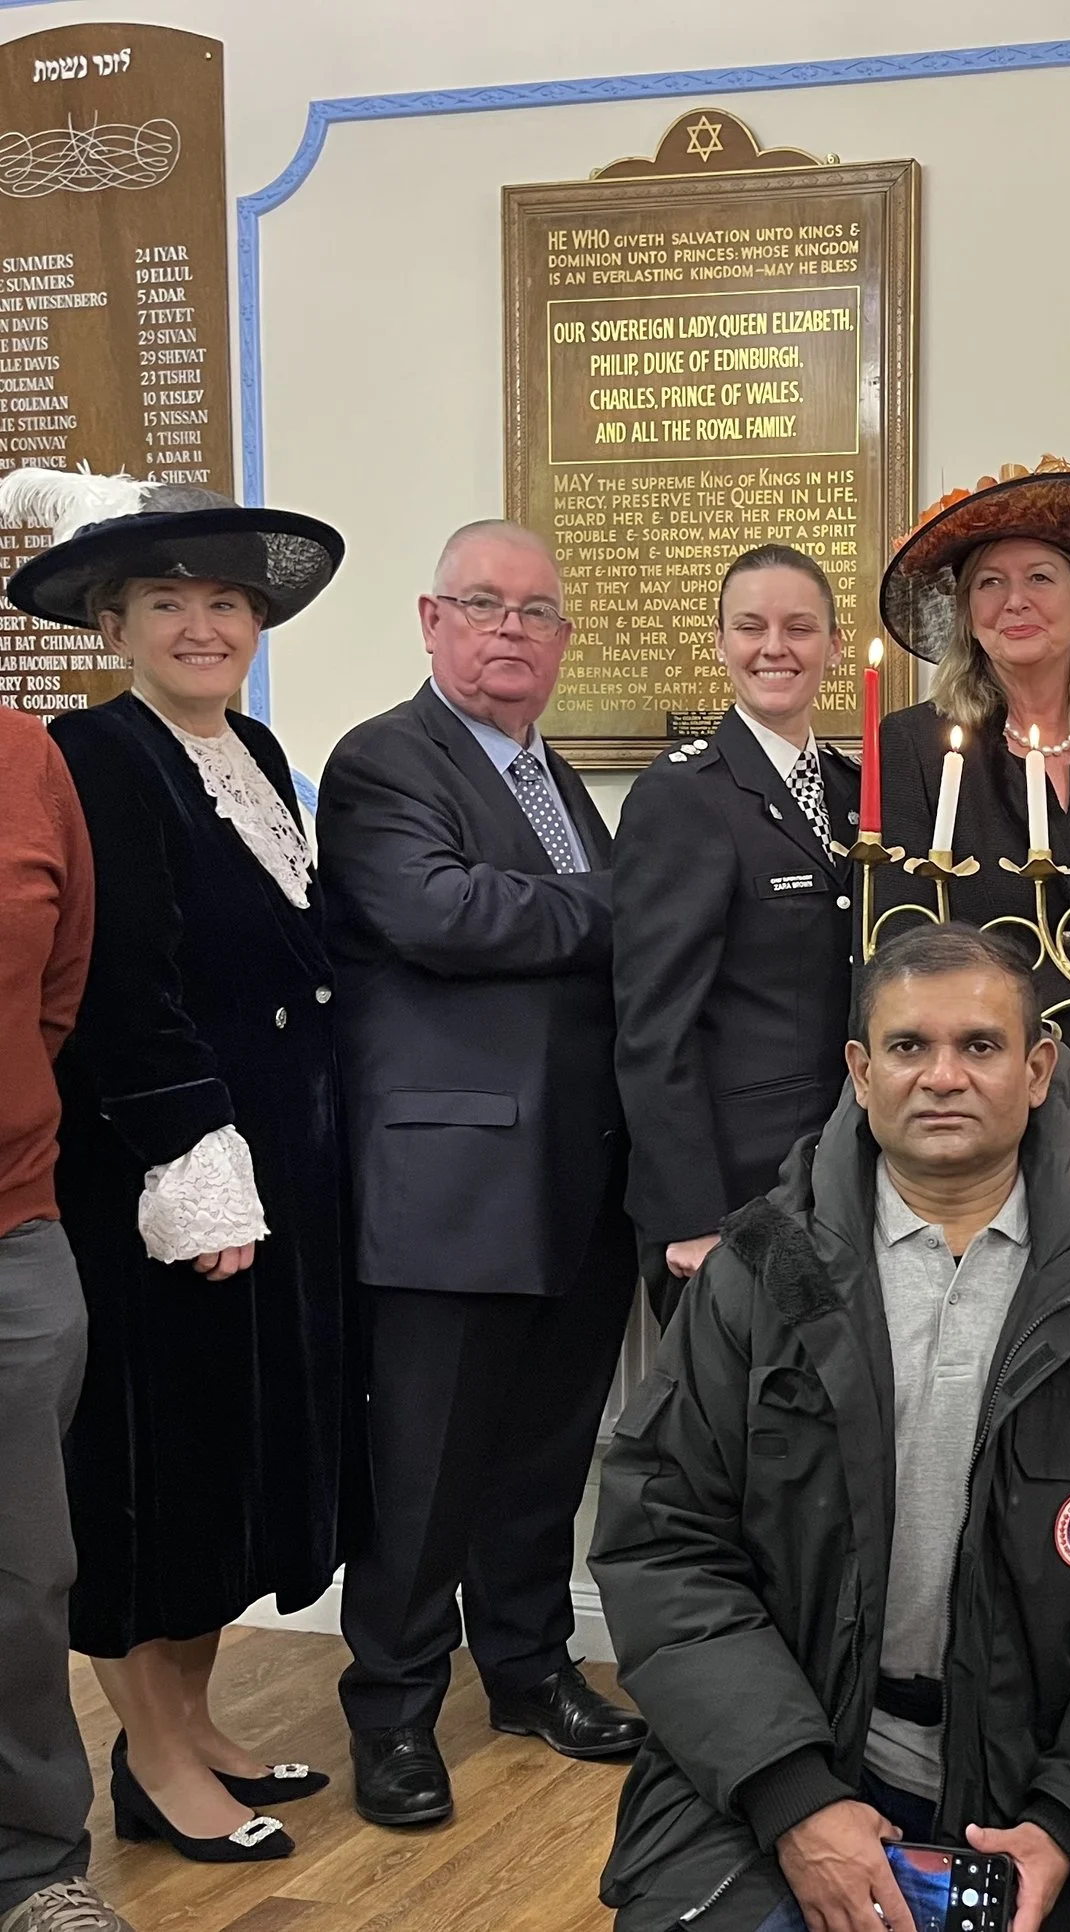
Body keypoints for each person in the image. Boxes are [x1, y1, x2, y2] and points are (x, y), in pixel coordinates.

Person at [591, 922, 1070, 1932]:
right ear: (860, 1070)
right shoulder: (758, 1274)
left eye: (979, 1046)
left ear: (1037, 1070)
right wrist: (795, 1799)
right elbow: (664, 1545)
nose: (942, 1076)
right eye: (907, 1046)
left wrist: (1066, 1822)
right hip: (775, 1774)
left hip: (1031, 1799)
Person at [0, 470, 353, 1869]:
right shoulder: (98, 753)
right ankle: (148, 1756)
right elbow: (118, 987)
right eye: (167, 603)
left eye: (226, 603)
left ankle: (196, 1723)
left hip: (276, 1166)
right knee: (155, 1475)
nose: (204, 627)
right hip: (164, 1179)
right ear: (113, 625)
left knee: (231, 1463)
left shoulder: (251, 747)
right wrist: (191, 1160)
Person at [318, 519, 645, 1829]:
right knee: (424, 1470)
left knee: (542, 1458)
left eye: (535, 612)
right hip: (448, 1192)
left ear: (561, 641)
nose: (511, 629)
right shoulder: (381, 761)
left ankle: (526, 1669)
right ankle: (393, 1712)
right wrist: (639, 901)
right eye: (484, 604)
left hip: (576, 1182)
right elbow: (442, 913)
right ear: (431, 620)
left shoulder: (554, 776)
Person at [875, 457, 1070, 1231]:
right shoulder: (914, 748)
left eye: (1040, 578)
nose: (1014, 600)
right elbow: (899, 943)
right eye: (990, 582)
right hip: (979, 1105)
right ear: (968, 615)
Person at [614, 543, 861, 1326]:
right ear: (720, 642)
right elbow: (654, 1024)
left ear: (834, 645)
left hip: (848, 1171)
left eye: (800, 627)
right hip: (735, 1187)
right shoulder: (683, 797)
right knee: (741, 1401)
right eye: (751, 627)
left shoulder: (857, 794)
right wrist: (690, 1213)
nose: (774, 648)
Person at [0, 699, 113, 1930]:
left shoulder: (25, 759)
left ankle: (31, 1869)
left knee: (24, 1576)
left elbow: (57, 989)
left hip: (11, 1233)